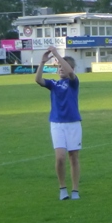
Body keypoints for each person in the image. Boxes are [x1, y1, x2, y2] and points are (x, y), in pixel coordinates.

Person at [35, 46, 82, 200]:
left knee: (73, 157)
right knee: (60, 157)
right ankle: (62, 188)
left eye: (63, 66)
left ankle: (75, 190)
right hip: (57, 124)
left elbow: (71, 74)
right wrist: (42, 62)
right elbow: (38, 80)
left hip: (73, 123)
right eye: (58, 67)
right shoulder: (54, 84)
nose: (60, 69)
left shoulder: (73, 83)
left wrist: (56, 53)